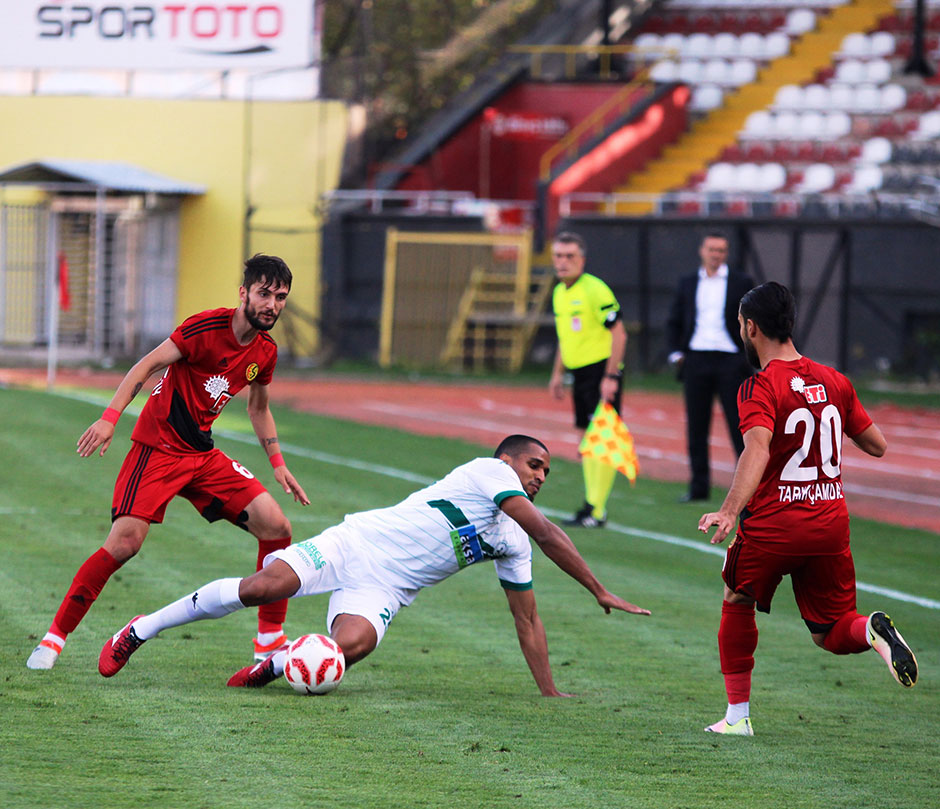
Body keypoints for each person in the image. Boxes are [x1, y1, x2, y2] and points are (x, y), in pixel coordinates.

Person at [97, 435, 651, 695]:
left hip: (388, 587)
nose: (540, 476)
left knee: (351, 649)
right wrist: (598, 589)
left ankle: (281, 664)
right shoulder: (490, 472)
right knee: (265, 586)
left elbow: (527, 620)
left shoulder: (514, 543)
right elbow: (550, 532)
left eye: (547, 472)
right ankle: (140, 629)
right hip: (356, 543)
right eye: (536, 464)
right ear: (508, 460)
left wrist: (550, 692)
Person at [27, 254, 310, 671]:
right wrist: (109, 420)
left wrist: (278, 461)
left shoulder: (266, 351)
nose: (272, 304)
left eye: (280, 297)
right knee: (125, 544)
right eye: (264, 294)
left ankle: (268, 642)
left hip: (202, 455)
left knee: (277, 526)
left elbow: (259, 407)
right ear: (244, 293)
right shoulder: (205, 328)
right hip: (157, 450)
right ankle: (53, 640)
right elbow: (145, 366)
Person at [698, 282, 917, 736]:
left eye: (741, 324)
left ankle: (737, 718)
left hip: (777, 524)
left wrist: (729, 509)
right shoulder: (833, 379)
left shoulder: (759, 386)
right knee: (831, 631)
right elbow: (877, 445)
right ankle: (871, 632)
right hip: (830, 522)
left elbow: (755, 449)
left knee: (736, 597)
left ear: (750, 327)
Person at [548, 232, 628, 528]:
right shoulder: (559, 292)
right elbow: (564, 336)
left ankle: (597, 509)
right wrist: (557, 373)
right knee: (586, 437)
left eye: (570, 256)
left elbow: (619, 333)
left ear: (582, 260)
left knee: (601, 440)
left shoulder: (596, 290)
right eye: (558, 256)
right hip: (578, 373)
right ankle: (591, 506)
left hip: (600, 370)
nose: (563, 262)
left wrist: (611, 375)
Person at [666, 232, 754, 502]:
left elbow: (754, 321)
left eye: (721, 250)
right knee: (696, 427)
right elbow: (675, 319)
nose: (716, 254)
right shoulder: (688, 282)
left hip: (731, 360)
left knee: (740, 426)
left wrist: (747, 356)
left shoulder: (742, 282)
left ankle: (750, 488)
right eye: (712, 249)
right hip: (696, 359)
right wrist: (676, 353)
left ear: (726, 254)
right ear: (702, 251)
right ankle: (698, 488)